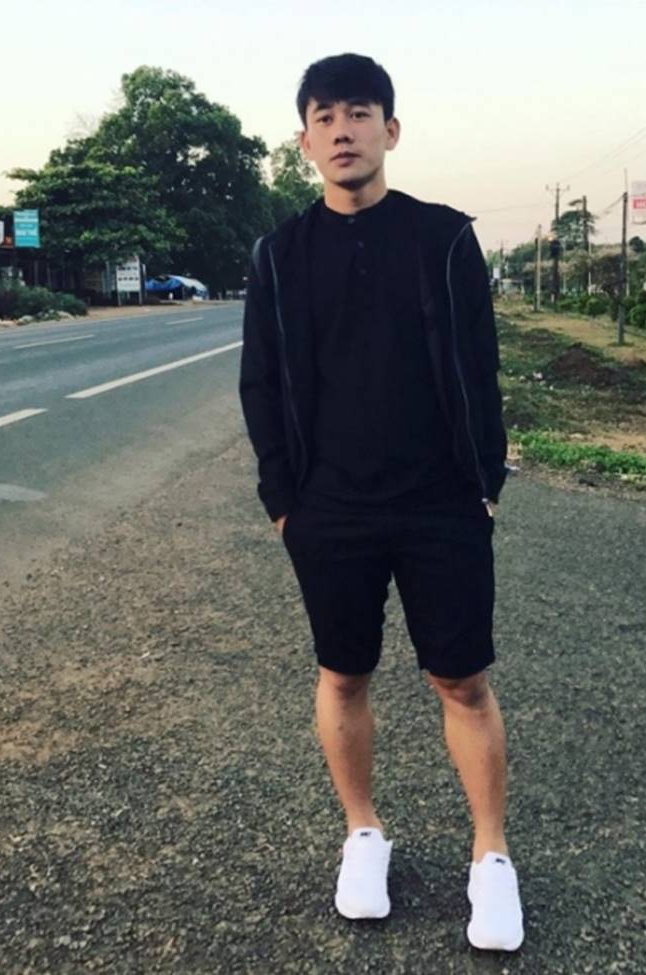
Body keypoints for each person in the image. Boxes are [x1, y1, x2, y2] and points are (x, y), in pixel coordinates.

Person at [239, 52, 523, 952]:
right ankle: (363, 833)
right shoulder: (278, 255)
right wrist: (284, 500)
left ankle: (490, 856)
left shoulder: (443, 239)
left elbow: (479, 366)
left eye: (358, 113)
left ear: (389, 131)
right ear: (304, 141)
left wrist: (484, 484)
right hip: (330, 508)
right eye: (323, 117)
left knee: (462, 679)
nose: (342, 131)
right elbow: (259, 384)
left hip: (441, 502)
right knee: (343, 673)